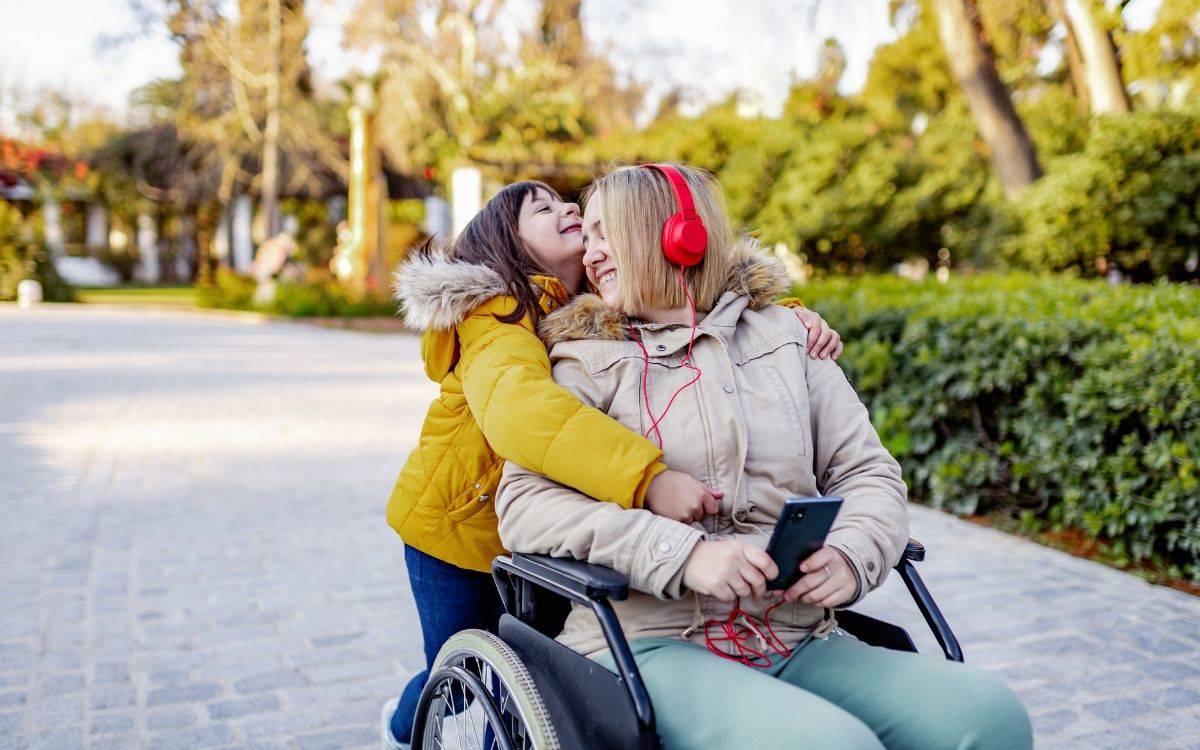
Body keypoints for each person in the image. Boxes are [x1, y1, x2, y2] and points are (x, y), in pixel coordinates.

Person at [496, 164, 1033, 749]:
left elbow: (867, 471)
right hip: (647, 640)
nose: (591, 255)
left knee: (989, 715)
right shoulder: (583, 362)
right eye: (587, 236)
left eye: (607, 234)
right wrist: (684, 556)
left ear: (679, 235)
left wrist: (854, 554)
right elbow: (525, 504)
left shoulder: (789, 339)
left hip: (793, 632)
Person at [380, 179, 844, 749]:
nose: (566, 208)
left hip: (540, 525)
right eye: (542, 209)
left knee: (544, 660)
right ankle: (404, 729)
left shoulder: (589, 306)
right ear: (505, 240)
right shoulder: (494, 315)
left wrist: (786, 317)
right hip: (456, 531)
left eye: (567, 202)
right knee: (466, 663)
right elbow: (523, 416)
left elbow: (690, 298)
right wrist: (647, 479)